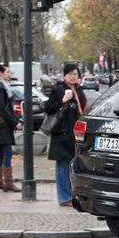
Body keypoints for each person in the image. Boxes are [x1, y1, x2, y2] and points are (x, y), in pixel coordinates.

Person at [45, 64, 88, 206]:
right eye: (70, 74)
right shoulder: (59, 89)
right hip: (62, 134)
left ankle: (72, 194)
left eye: (75, 74)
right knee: (62, 165)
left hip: (75, 134)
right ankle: (63, 197)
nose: (73, 76)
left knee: (72, 165)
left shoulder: (78, 90)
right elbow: (48, 108)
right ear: (65, 75)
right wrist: (62, 100)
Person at [0, 64, 22, 192]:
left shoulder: (0, 86)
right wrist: (14, 122)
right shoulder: (0, 87)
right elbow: (2, 108)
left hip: (1, 124)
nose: (9, 74)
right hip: (2, 125)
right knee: (7, 151)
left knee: (1, 152)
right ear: (0, 73)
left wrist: (17, 119)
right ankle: (8, 183)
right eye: (7, 72)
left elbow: (5, 107)